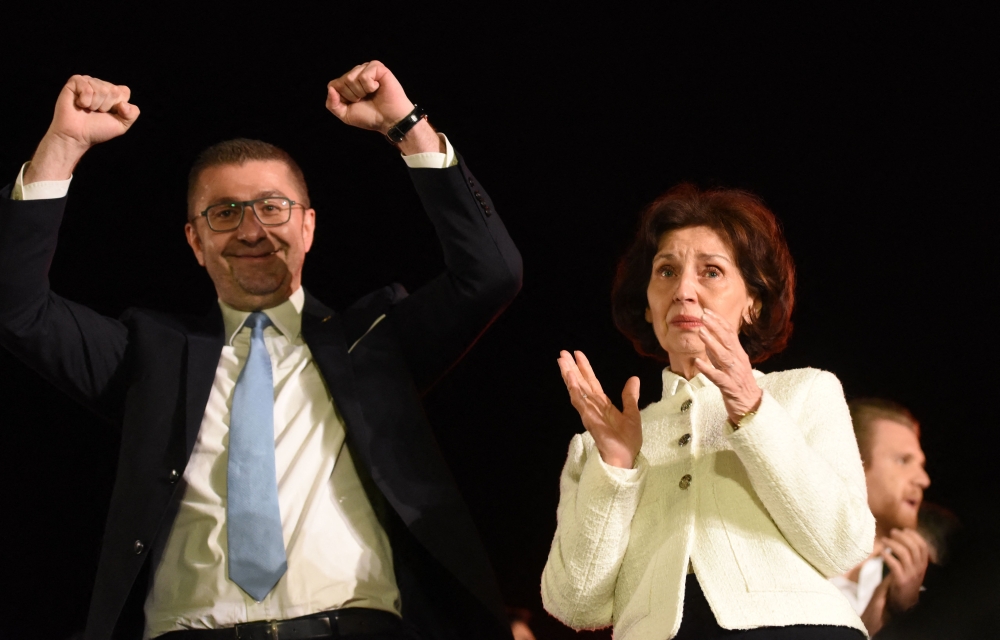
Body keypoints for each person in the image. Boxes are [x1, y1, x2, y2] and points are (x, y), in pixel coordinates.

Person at [0, 62, 522, 640]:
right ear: (196, 242)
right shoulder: (149, 355)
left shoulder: (373, 341)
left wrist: (406, 125)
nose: (251, 230)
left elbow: (491, 274)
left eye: (272, 207)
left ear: (309, 227)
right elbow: (16, 306)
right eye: (224, 213)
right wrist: (62, 145)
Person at [540, 184, 875, 639]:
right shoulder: (599, 444)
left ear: (753, 303)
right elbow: (576, 604)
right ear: (648, 302)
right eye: (666, 271)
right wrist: (616, 470)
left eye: (711, 272)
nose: (684, 291)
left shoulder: (805, 392)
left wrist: (753, 412)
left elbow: (843, 546)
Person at [830, 399, 932, 636]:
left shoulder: (927, 582)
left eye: (921, 464)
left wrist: (904, 614)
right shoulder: (793, 560)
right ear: (855, 464)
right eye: (903, 461)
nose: (923, 480)